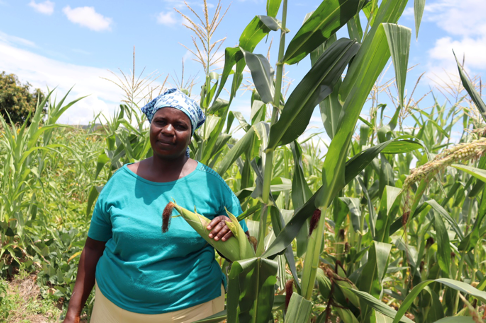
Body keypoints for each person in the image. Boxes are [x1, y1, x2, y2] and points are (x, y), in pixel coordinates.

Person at [63, 88, 249, 323]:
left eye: (180, 126)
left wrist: (230, 229)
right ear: (151, 125)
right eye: (160, 121)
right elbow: (92, 249)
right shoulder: (120, 181)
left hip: (193, 311)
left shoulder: (211, 184)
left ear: (191, 134)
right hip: (113, 309)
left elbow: (245, 253)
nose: (168, 130)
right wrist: (73, 312)